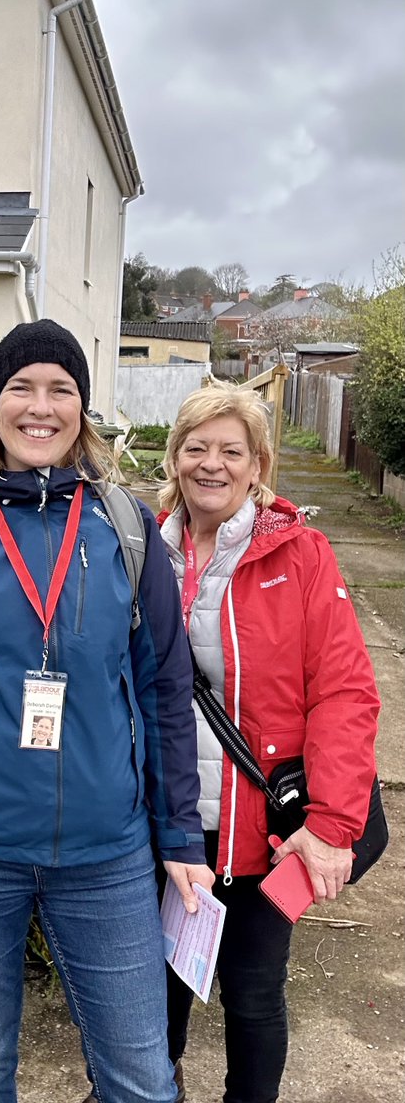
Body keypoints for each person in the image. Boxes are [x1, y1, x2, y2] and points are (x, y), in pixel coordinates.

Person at [0, 318, 212, 1103]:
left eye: (59, 389)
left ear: (81, 409)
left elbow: (164, 689)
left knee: (140, 1076)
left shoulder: (126, 530)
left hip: (108, 854)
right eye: (20, 388)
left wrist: (178, 833)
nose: (40, 406)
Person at [156, 383, 381, 1103]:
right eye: (196, 447)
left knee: (253, 995)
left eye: (231, 450)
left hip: (266, 832)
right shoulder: (139, 553)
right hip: (168, 831)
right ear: (174, 457)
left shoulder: (301, 555)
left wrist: (335, 826)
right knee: (155, 992)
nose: (211, 464)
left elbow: (344, 693)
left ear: (258, 465)